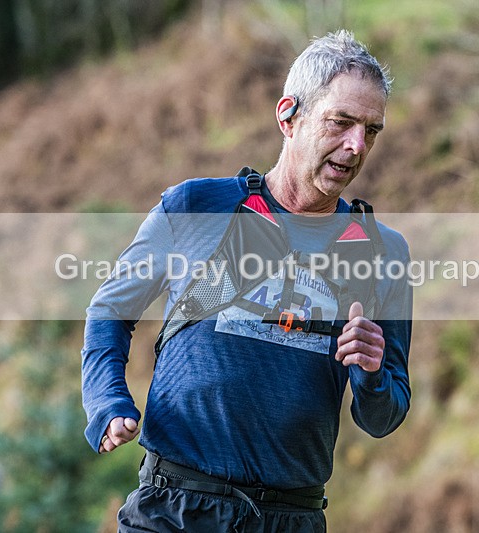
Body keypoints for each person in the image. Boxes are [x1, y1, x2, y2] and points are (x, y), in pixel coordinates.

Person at [81, 30, 412, 532]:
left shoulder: (381, 251)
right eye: (341, 123)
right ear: (288, 116)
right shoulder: (196, 206)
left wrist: (369, 370)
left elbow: (385, 414)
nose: (356, 146)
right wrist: (107, 400)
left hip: (290, 517)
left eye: (371, 130)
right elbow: (110, 310)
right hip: (174, 509)